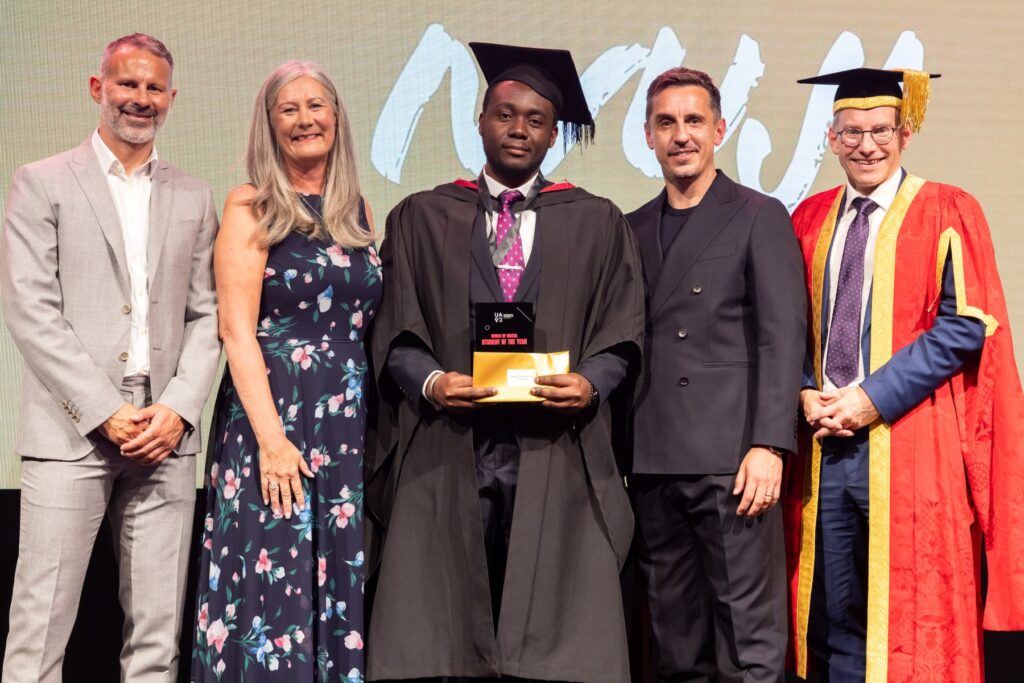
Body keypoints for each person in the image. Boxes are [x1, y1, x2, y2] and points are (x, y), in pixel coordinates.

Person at [365, 42, 644, 682]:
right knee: (448, 629)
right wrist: (431, 383)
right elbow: (396, 327)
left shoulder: (596, 221)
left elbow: (622, 330)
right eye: (505, 114)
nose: (519, 130)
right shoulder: (423, 215)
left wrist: (591, 384)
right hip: (450, 443)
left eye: (536, 120)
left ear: (553, 134)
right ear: (480, 119)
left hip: (555, 446)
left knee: (551, 632)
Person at [786, 68, 1024, 683]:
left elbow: (966, 325)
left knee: (912, 611)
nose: (868, 145)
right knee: (832, 614)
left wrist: (871, 396)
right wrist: (803, 388)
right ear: (832, 138)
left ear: (906, 134)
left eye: (882, 131)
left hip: (909, 442)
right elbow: (785, 325)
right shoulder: (809, 218)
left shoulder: (948, 208)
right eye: (853, 132)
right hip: (822, 448)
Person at [0, 33, 220, 682]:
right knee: (38, 631)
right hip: (72, 432)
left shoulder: (195, 195)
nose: (140, 99)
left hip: (166, 439)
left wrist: (178, 409)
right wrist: (102, 409)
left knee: (156, 640)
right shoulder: (39, 182)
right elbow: (29, 308)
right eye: (128, 84)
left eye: (154, 88)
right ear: (98, 89)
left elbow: (208, 314)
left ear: (171, 99)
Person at [190, 61, 380, 680]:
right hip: (275, 422)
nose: (305, 120)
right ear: (269, 127)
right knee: (274, 591)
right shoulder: (252, 205)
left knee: (337, 583)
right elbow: (235, 330)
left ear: (337, 117)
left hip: (345, 431)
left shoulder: (358, 211)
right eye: (288, 110)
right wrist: (272, 441)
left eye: (317, 105)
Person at [624, 67, 806, 682]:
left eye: (694, 121)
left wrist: (770, 444)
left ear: (720, 130)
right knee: (674, 643)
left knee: (748, 640)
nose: (681, 135)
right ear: (647, 135)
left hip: (732, 460)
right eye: (667, 123)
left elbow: (784, 339)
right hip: (651, 460)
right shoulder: (630, 227)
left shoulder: (758, 214)